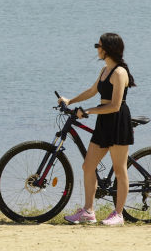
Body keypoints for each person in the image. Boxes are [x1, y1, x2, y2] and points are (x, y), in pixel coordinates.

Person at [58, 32, 136, 226]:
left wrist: (89, 111)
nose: (97, 49)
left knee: (119, 170)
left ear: (107, 49)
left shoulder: (119, 72)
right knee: (88, 166)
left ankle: (118, 214)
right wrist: (71, 100)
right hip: (103, 121)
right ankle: (88, 211)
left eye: (98, 46)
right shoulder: (104, 70)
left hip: (117, 121)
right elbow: (92, 91)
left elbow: (115, 106)